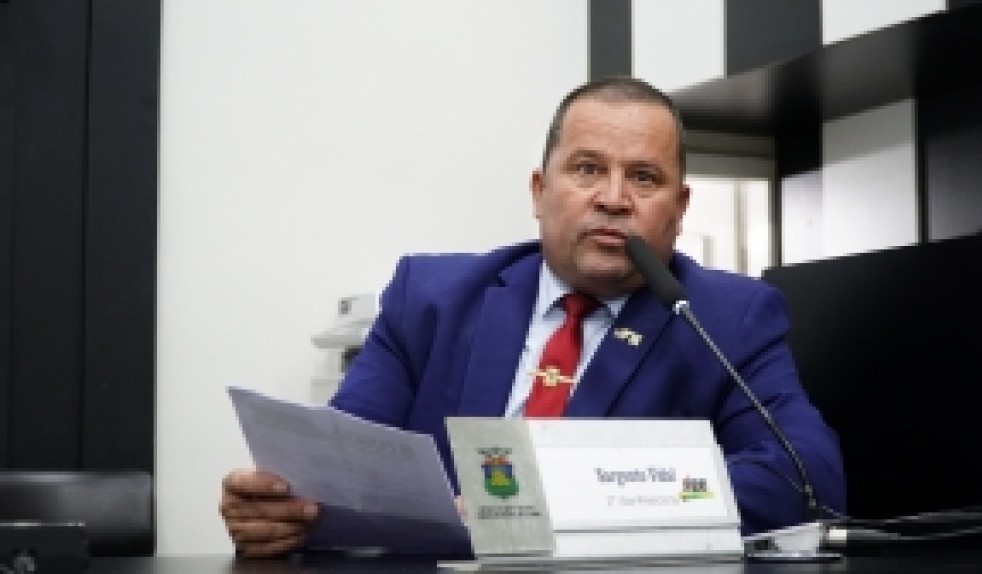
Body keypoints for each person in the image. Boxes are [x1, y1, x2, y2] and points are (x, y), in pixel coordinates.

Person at [220, 76, 846, 558]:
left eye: (643, 177)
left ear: (679, 209)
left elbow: (806, 478)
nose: (613, 198)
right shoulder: (430, 299)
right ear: (539, 191)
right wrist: (279, 507)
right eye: (587, 169)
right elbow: (340, 467)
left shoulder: (725, 318)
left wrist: (562, 500)